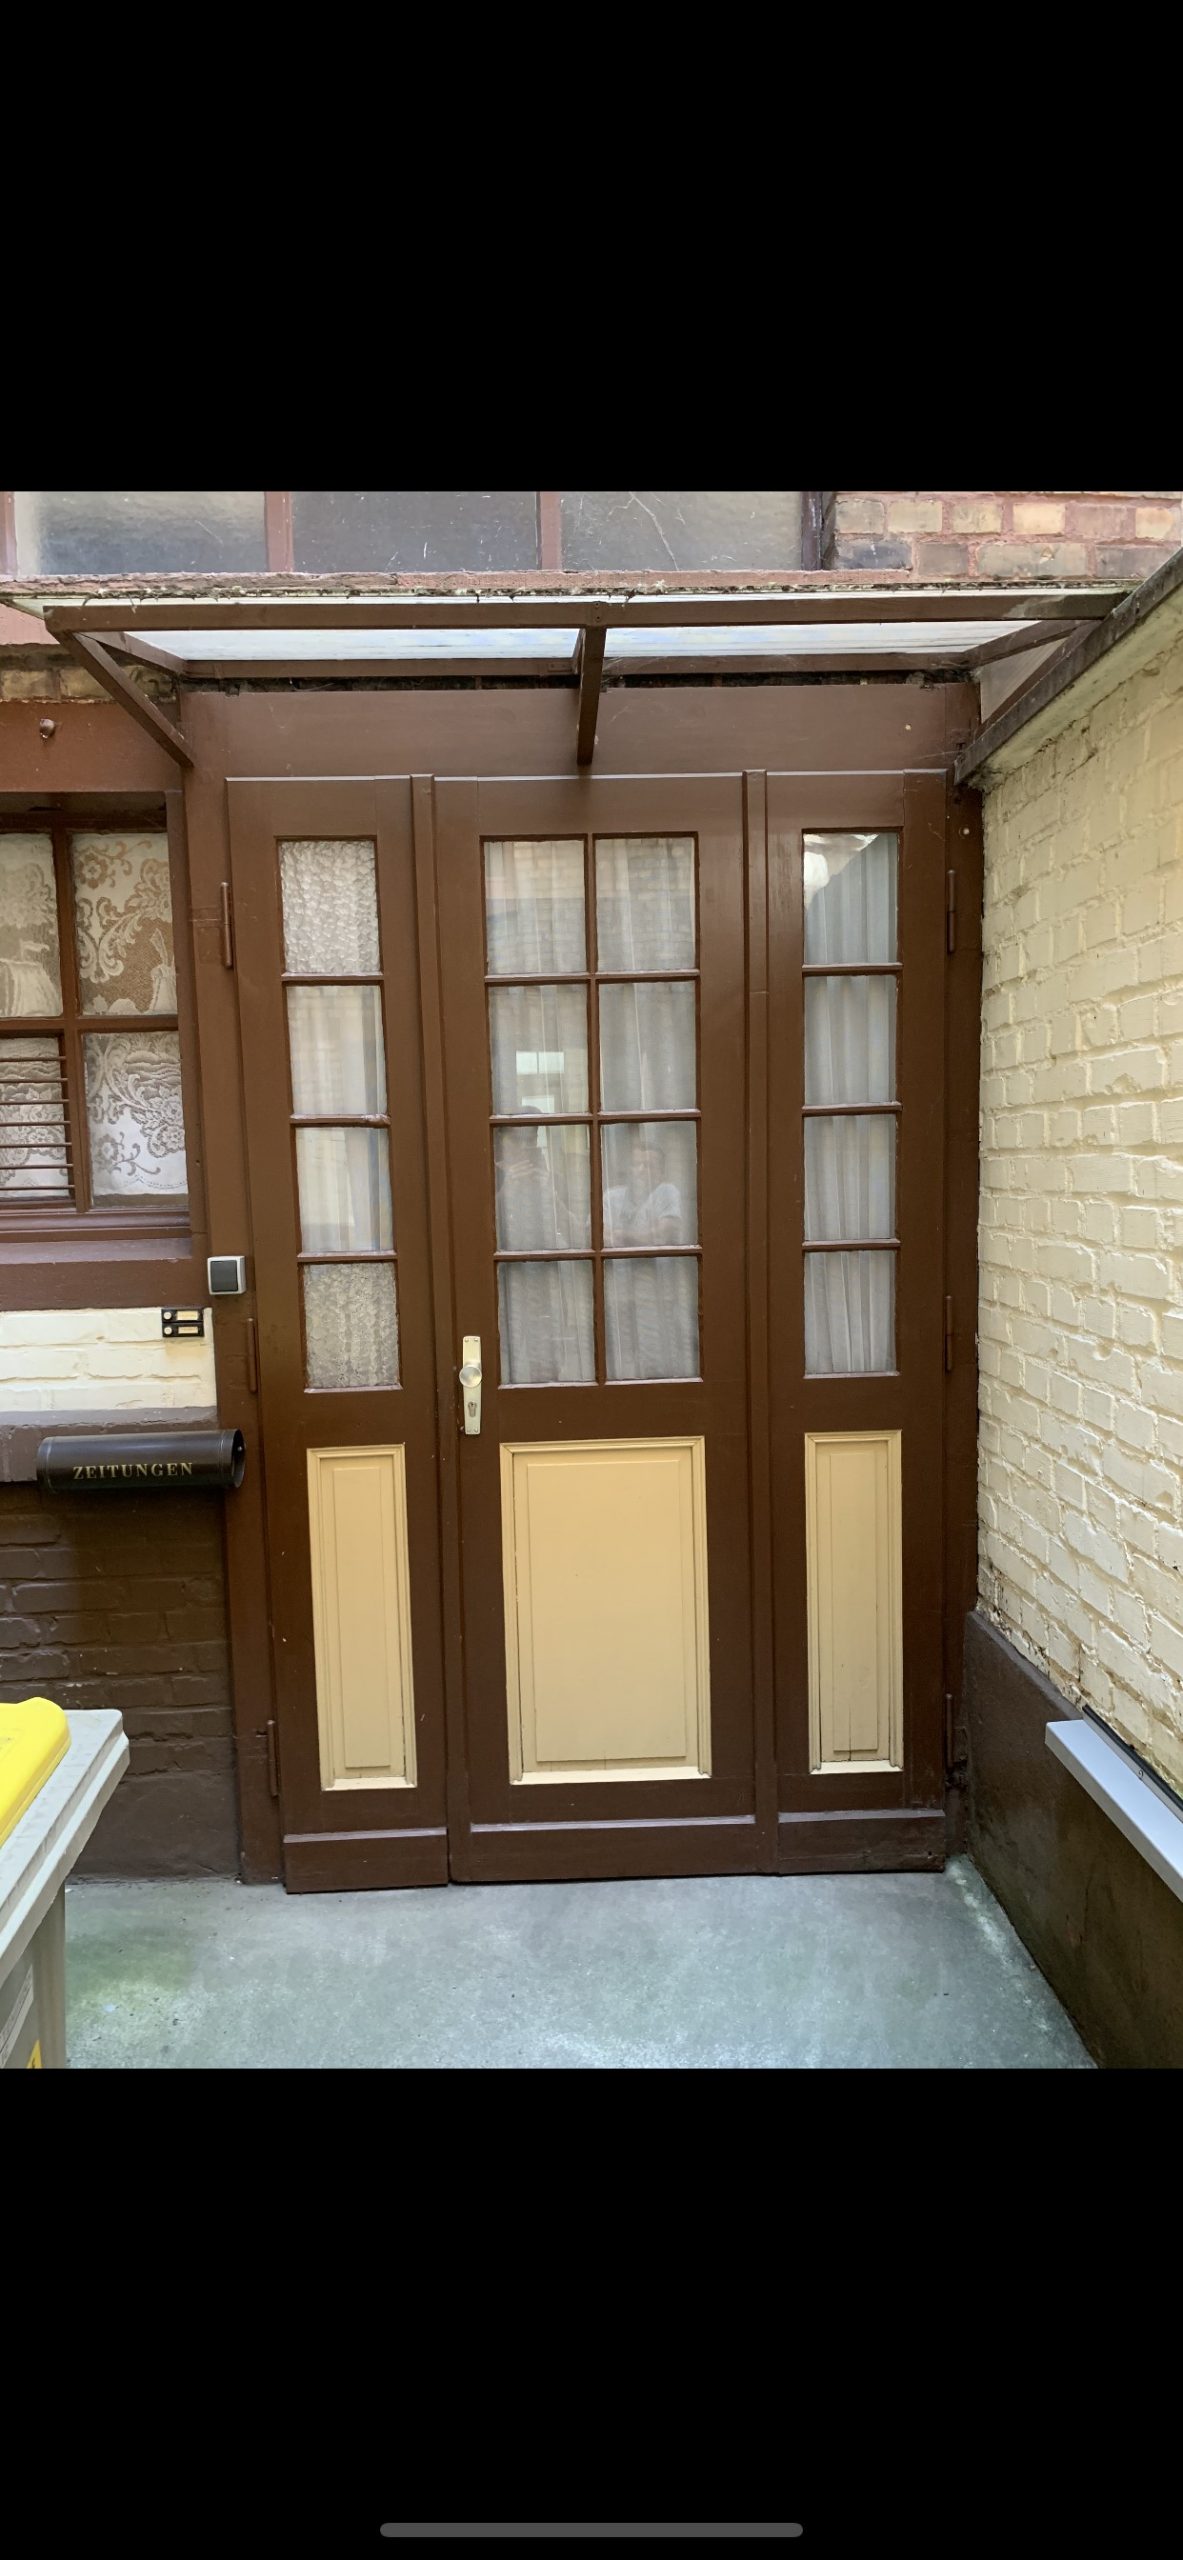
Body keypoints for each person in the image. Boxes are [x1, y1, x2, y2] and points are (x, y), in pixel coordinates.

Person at [602, 1133, 685, 1246]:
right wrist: (640, 1237)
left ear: (661, 1173)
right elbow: (596, 1234)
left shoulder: (667, 1192)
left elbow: (660, 1236)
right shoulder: (611, 1196)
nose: (640, 1170)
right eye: (635, 1164)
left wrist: (623, 1235)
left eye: (649, 1165)